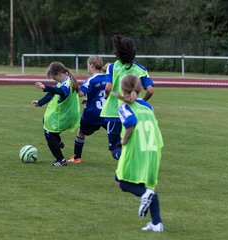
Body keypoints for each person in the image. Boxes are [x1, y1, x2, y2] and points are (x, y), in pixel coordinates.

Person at [113, 74, 164, 232]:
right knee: (148, 186)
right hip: (153, 148)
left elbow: (130, 123)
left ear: (123, 88)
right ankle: (157, 223)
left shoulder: (124, 105)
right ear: (140, 87)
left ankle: (144, 194)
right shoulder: (148, 106)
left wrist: (124, 141)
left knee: (121, 181)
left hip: (136, 147)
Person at [100, 35, 154, 160]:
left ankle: (127, 160)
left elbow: (108, 88)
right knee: (130, 142)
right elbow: (150, 90)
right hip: (133, 112)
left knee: (115, 148)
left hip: (114, 113)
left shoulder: (112, 67)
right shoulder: (140, 69)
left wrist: (107, 96)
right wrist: (142, 101)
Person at [32, 61, 80, 167]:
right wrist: (40, 102)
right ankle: (58, 143)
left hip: (65, 116)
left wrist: (45, 87)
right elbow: (52, 93)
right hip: (65, 115)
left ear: (59, 74)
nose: (54, 80)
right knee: (46, 121)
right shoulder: (64, 81)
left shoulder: (67, 84)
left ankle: (60, 160)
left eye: (54, 78)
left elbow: (61, 92)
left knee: (49, 133)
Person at [67, 56, 108, 164]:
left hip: (92, 113)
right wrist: (88, 100)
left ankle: (76, 158)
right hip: (106, 113)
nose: (87, 68)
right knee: (115, 135)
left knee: (81, 131)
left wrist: (73, 82)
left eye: (87, 65)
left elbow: (81, 93)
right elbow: (103, 95)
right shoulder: (108, 78)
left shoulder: (91, 80)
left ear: (91, 65)